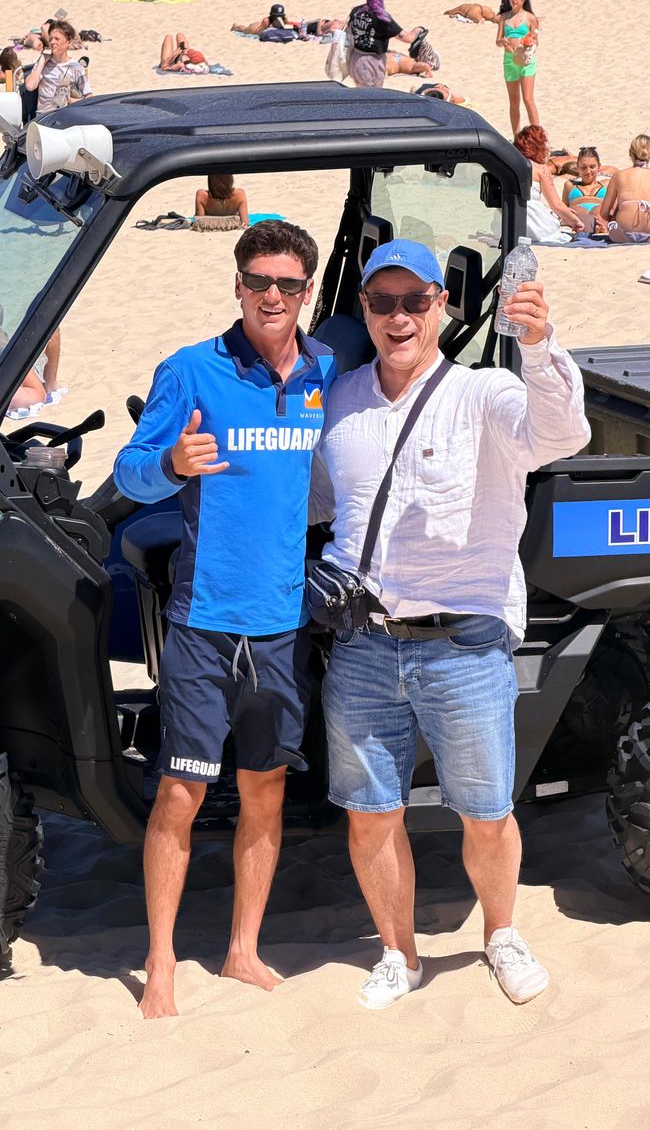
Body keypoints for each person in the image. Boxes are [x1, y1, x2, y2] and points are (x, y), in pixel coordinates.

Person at [309, 238, 591, 1010]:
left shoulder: (485, 393)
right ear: (364, 309)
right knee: (370, 816)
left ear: (443, 304)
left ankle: (502, 934)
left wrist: (540, 344)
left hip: (465, 646)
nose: (398, 317)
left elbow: (560, 435)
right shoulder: (340, 402)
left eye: (415, 300)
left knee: (487, 812)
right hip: (364, 646)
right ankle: (398, 954)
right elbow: (317, 501)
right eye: (382, 302)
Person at [113, 221, 337, 1019]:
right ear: (238, 285)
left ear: (306, 291)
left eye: (288, 284)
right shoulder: (191, 369)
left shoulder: (323, 369)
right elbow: (129, 472)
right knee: (181, 791)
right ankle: (160, 961)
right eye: (259, 281)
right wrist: (171, 464)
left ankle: (243, 949)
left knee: (264, 790)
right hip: (203, 622)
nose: (273, 296)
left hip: (281, 626)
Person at [347, 0, 424, 89]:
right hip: (372, 62)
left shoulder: (356, 11)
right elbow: (407, 38)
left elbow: (350, 29)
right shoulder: (382, 17)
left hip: (355, 57)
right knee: (373, 95)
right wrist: (418, 29)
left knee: (362, 92)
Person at [514, 125, 585, 241]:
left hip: (510, 222)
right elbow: (556, 205)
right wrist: (576, 222)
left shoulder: (510, 166)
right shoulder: (540, 169)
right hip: (534, 225)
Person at [496, 0, 539, 137]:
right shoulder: (504, 18)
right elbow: (497, 41)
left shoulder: (530, 18)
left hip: (526, 61)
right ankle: (516, 136)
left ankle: (538, 136)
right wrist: (503, 41)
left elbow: (536, 41)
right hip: (509, 60)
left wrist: (529, 43)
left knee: (528, 99)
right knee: (514, 101)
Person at [24, 20, 92, 115]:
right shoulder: (43, 64)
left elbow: (89, 96)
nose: (52, 42)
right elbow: (30, 86)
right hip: (44, 116)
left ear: (68, 42)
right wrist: (42, 61)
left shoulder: (75, 68)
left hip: (65, 115)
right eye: (51, 39)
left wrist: (72, 101)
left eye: (57, 39)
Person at [600, 133, 650, 243]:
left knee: (618, 211)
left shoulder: (619, 175)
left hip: (623, 234)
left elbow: (603, 213)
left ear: (630, 153)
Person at [561, 147, 610, 233]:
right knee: (576, 210)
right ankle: (594, 228)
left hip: (598, 216)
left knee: (598, 210)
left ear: (599, 166)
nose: (588, 171)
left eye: (592, 167)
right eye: (583, 167)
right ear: (578, 168)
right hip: (579, 217)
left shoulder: (607, 184)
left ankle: (595, 227)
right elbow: (563, 208)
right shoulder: (569, 185)